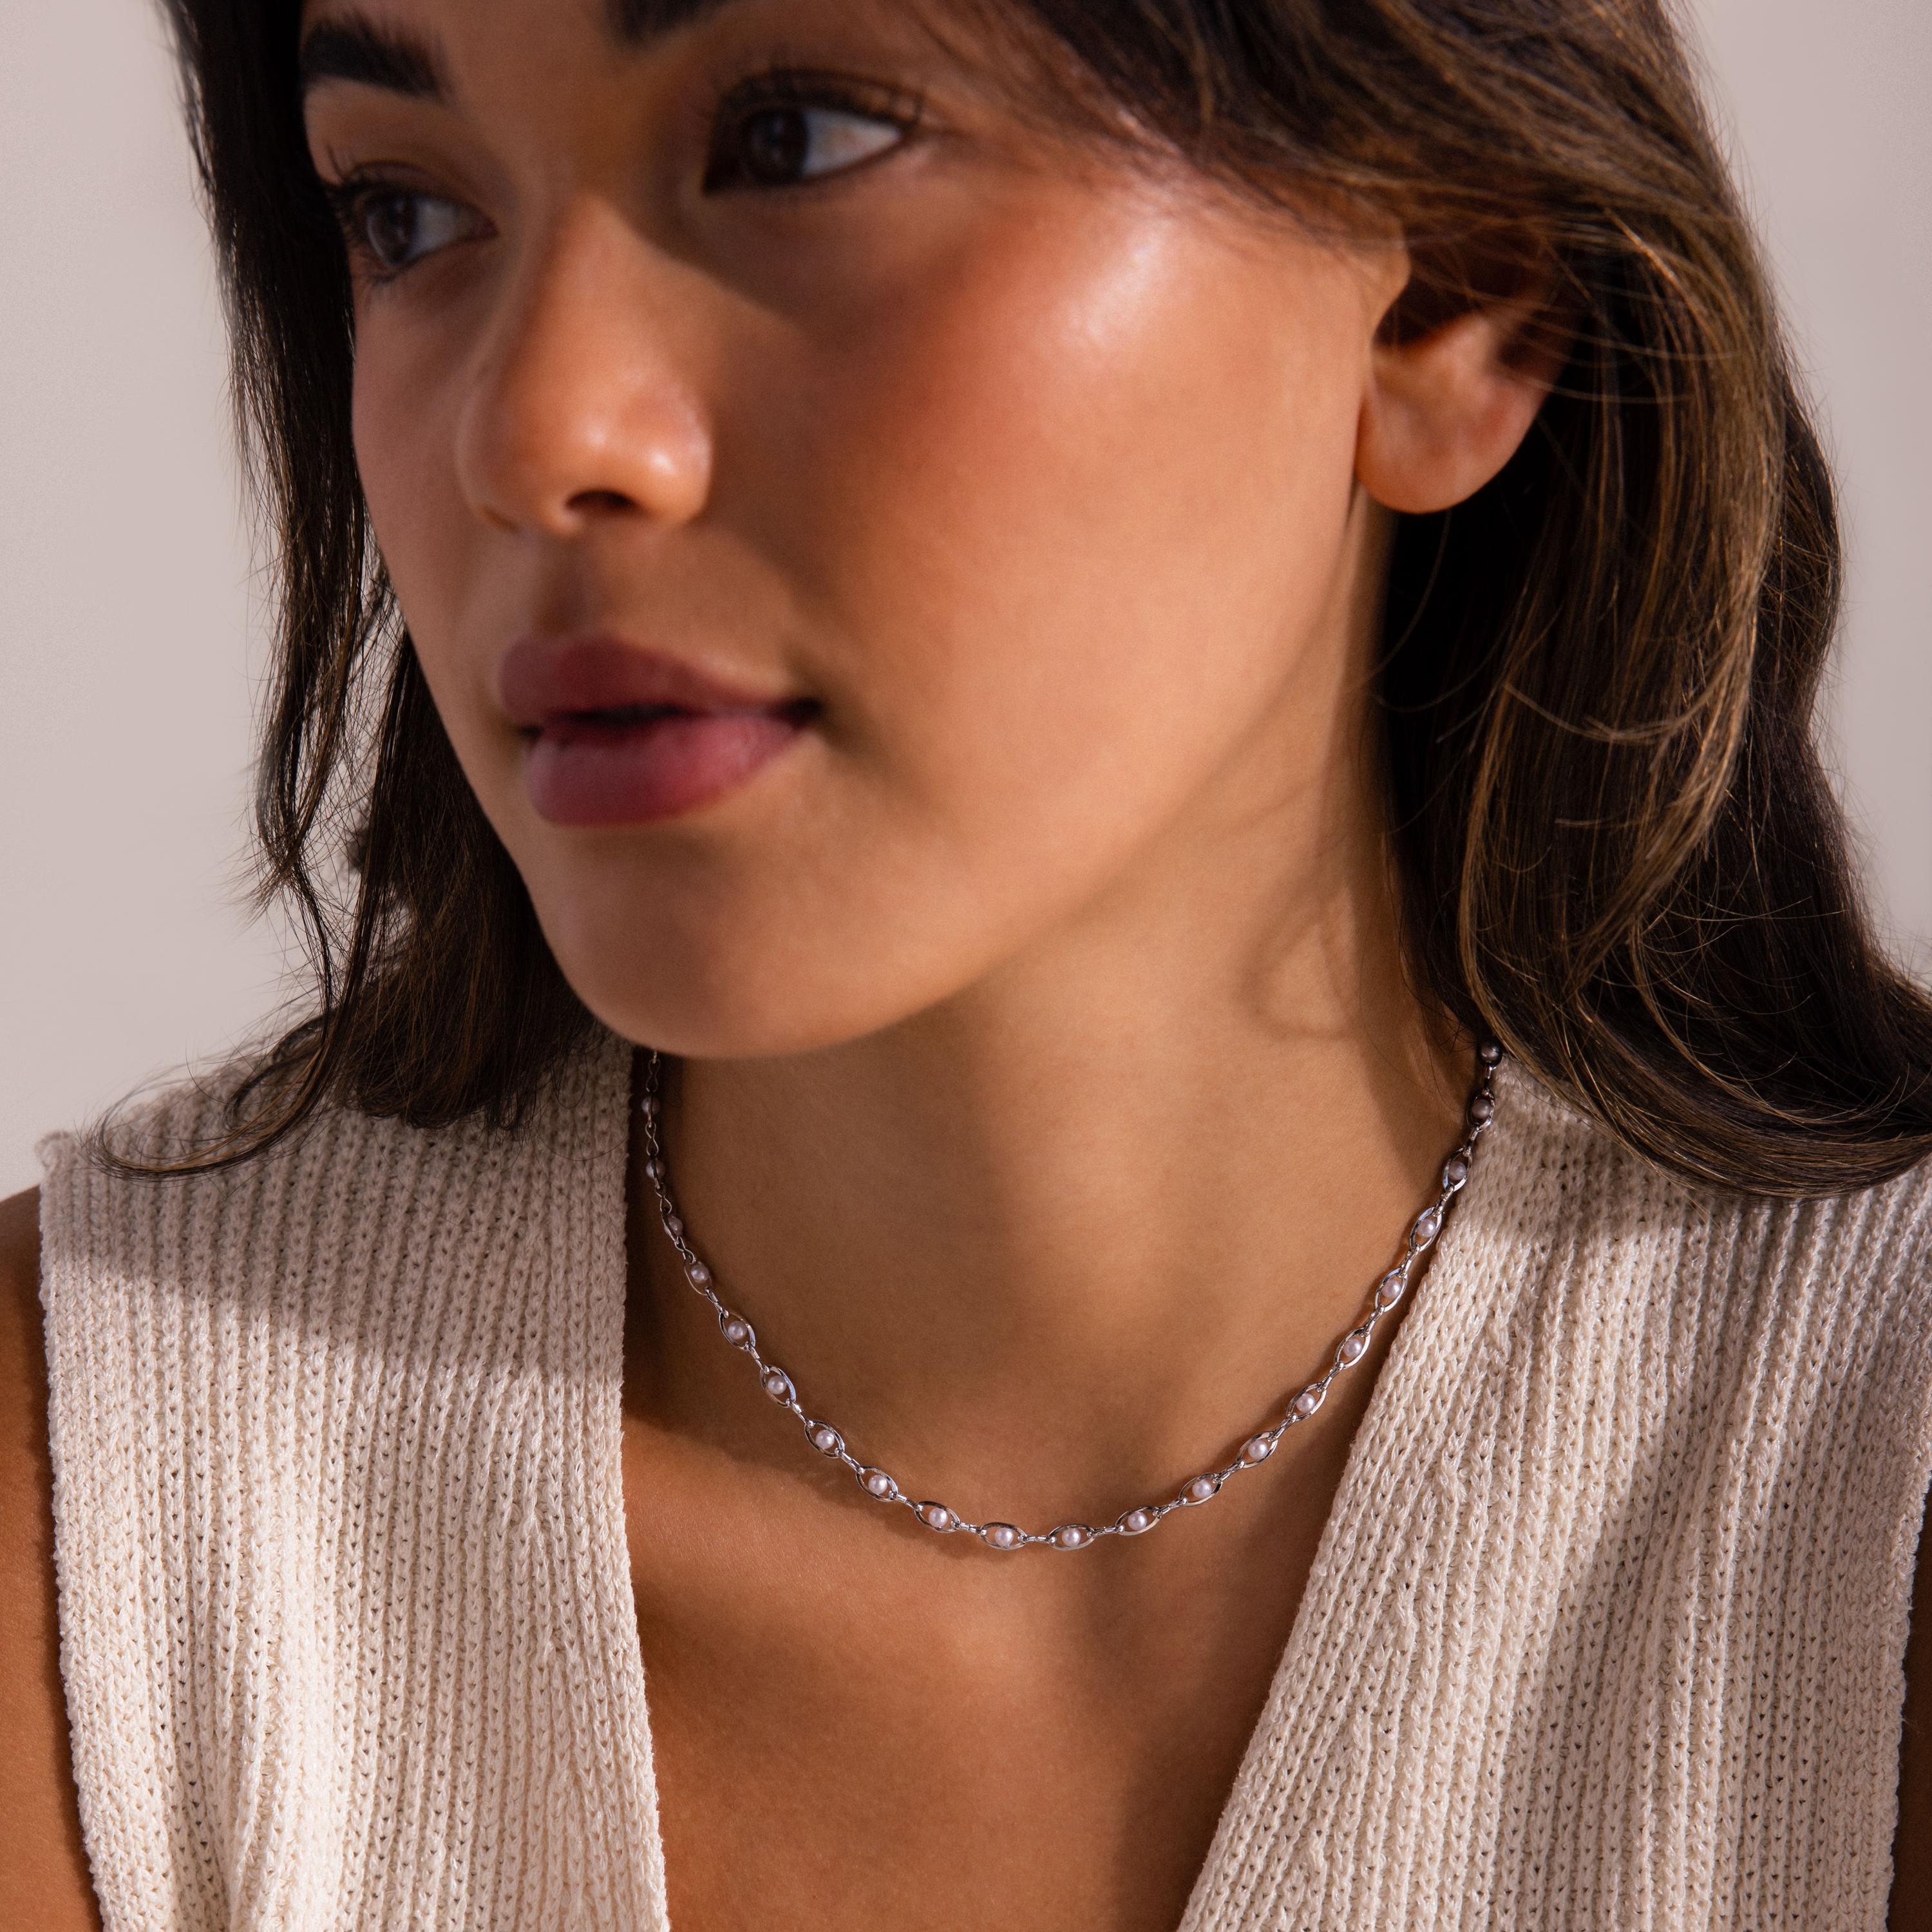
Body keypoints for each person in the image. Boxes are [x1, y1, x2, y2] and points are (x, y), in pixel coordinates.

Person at [3, 0, 1929, 1924]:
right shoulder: (78, 1539)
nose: (534, 433)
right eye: (406, 218)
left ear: (1449, 298)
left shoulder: (1877, 1487)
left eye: (801, 141)